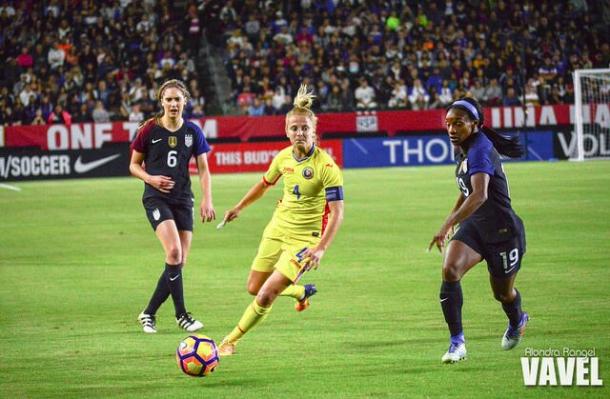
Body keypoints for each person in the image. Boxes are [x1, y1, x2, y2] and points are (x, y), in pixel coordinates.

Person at [217, 84, 345, 356]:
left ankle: (229, 341)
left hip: (304, 240)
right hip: (276, 229)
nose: (299, 133)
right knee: (254, 288)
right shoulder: (282, 157)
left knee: (265, 295)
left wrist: (321, 248)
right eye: (294, 128)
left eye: (304, 128)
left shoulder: (327, 167)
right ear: (286, 131)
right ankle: (299, 292)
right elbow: (264, 184)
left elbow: (337, 212)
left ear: (314, 130)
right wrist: (239, 206)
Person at [429, 97, 528, 363]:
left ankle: (517, 318)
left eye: (458, 124)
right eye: (448, 123)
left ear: (475, 124)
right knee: (450, 270)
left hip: (504, 232)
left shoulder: (480, 150)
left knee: (502, 294)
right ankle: (457, 343)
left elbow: (480, 194)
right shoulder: (461, 146)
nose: (451, 129)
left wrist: (447, 224)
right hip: (475, 227)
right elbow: (466, 191)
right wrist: (453, 218)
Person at [129, 79, 216, 334]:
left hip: (182, 199)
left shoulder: (192, 132)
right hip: (156, 198)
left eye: (178, 99)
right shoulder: (149, 130)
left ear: (185, 102)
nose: (173, 104)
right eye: (169, 99)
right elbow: (133, 165)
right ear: (162, 102)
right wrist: (150, 178)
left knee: (178, 261)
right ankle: (182, 316)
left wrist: (206, 199)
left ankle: (148, 313)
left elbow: (204, 169)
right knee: (174, 253)